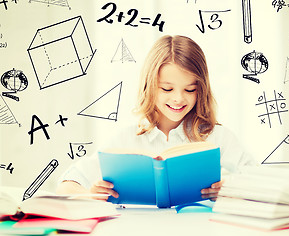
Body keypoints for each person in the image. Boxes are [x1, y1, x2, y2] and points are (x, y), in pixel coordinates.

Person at [56, 35, 256, 202]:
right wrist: (90, 196)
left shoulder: (217, 137)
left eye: (190, 89)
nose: (178, 98)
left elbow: (261, 182)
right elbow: (67, 185)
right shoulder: (127, 138)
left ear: (201, 90)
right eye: (167, 89)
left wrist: (231, 190)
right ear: (149, 86)